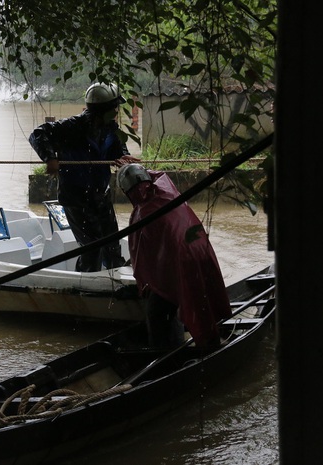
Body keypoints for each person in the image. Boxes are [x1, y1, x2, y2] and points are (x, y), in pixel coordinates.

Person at [117, 164, 232, 348]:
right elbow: (156, 174)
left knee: (158, 311)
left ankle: (165, 357)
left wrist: (145, 287)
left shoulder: (144, 216)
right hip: (200, 252)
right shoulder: (165, 188)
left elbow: (146, 263)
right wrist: (133, 166)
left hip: (182, 263)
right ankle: (208, 339)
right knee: (198, 303)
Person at [28, 82, 140, 272]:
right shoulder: (71, 127)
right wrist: (50, 158)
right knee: (91, 249)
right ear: (101, 110)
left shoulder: (111, 129)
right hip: (76, 199)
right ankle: (84, 285)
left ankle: (117, 278)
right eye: (113, 108)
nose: (116, 112)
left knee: (112, 245)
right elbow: (38, 134)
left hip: (101, 196)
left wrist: (122, 157)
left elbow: (116, 150)